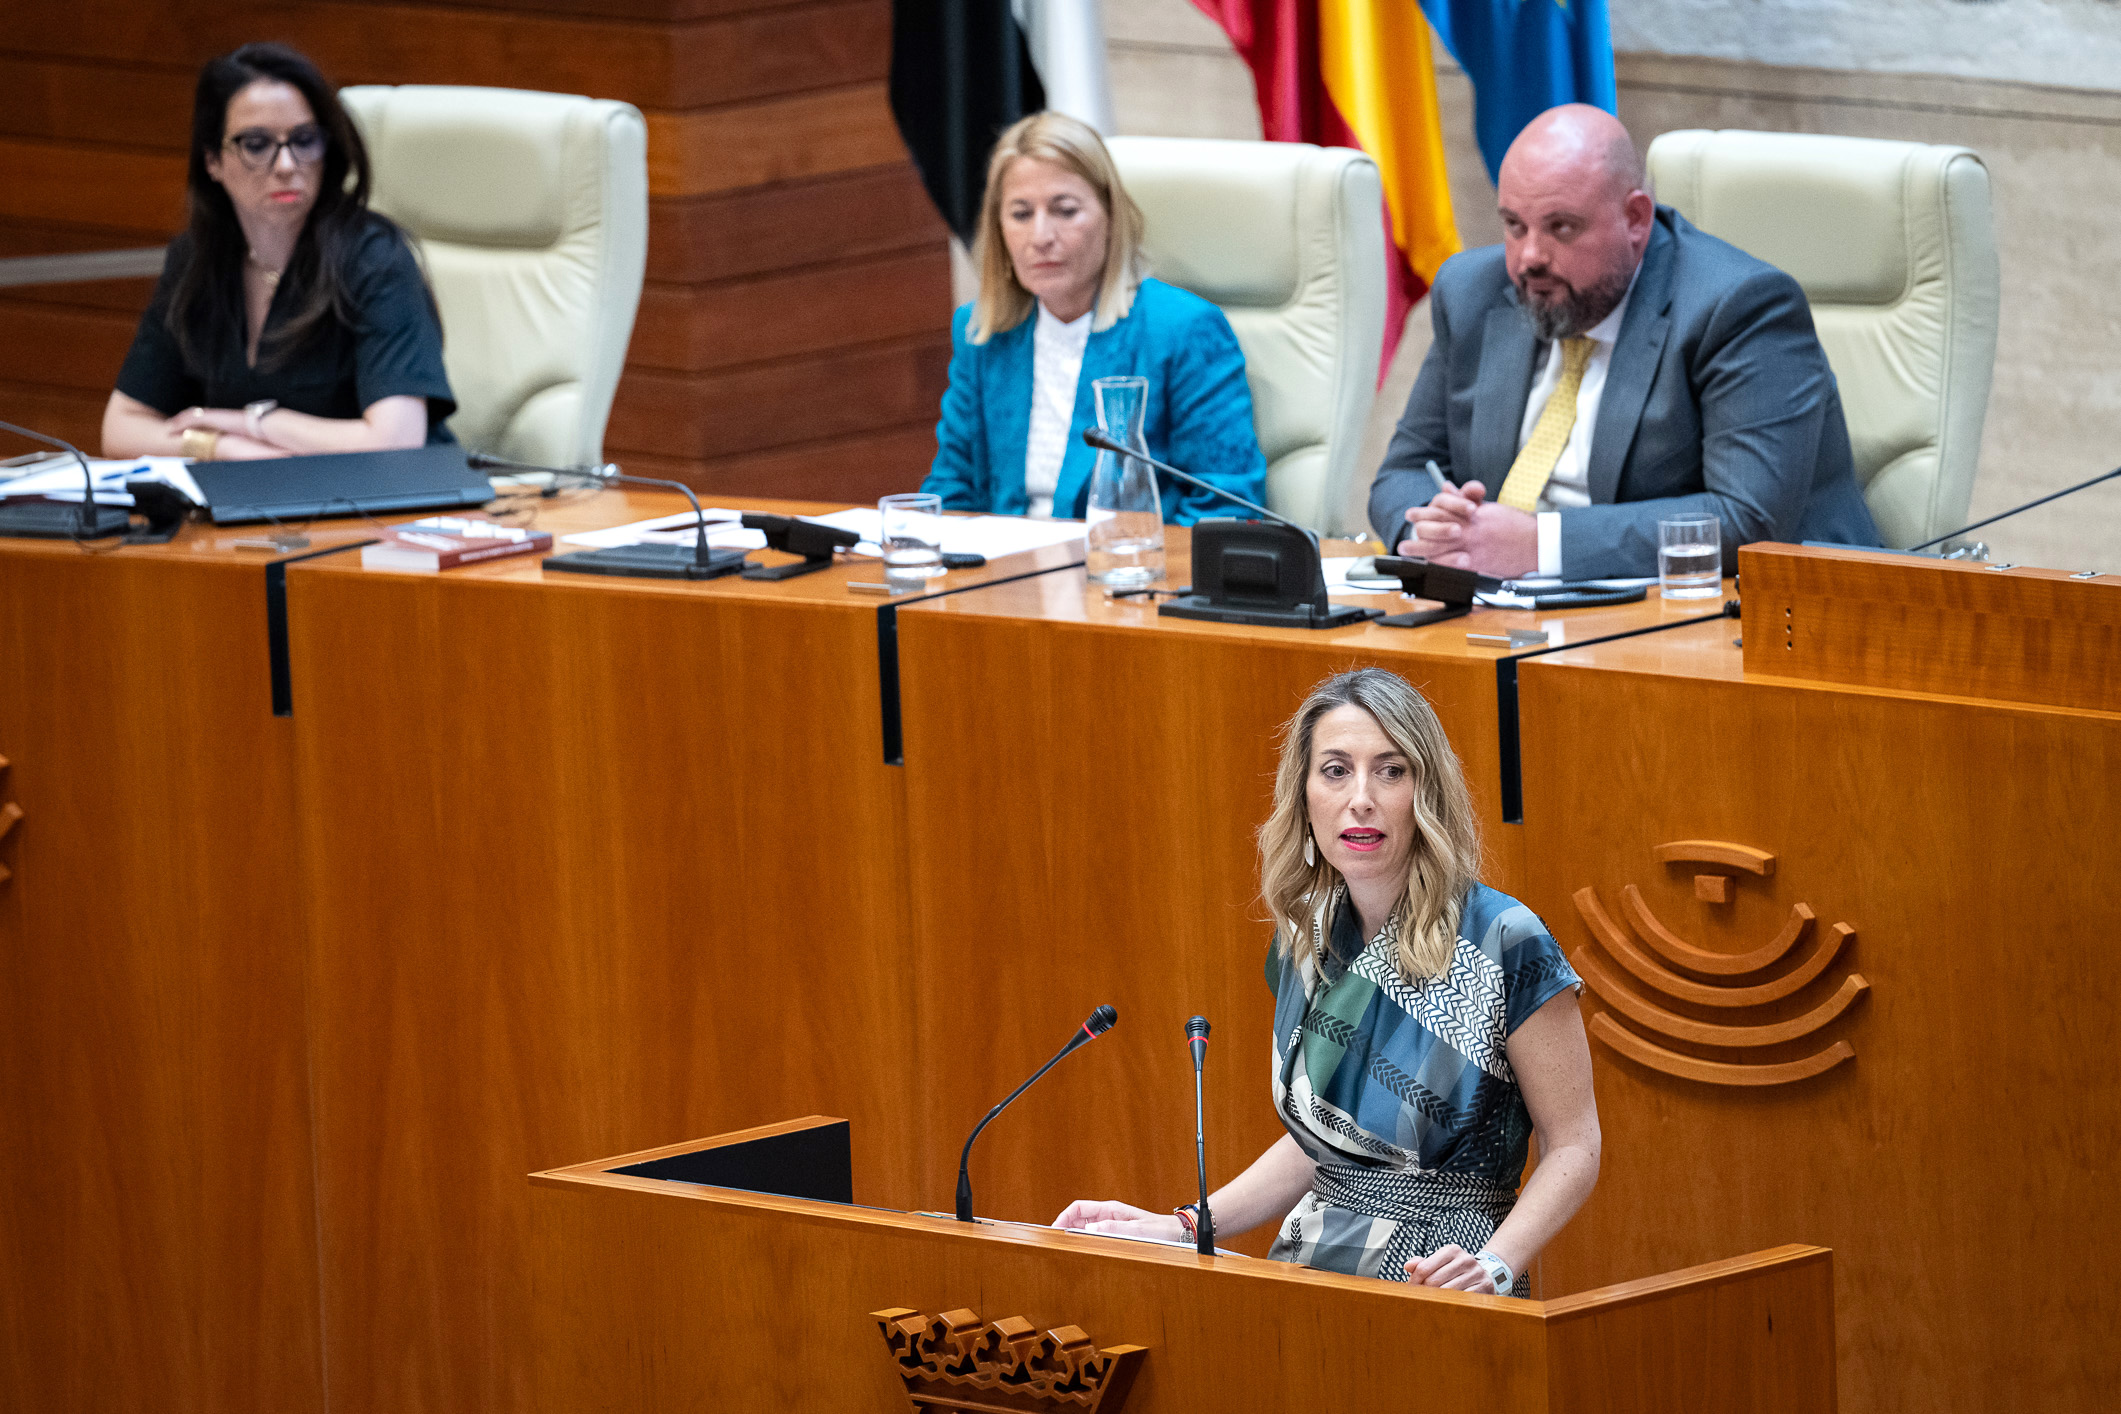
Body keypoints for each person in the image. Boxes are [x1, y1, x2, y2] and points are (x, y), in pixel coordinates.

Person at [1055, 668, 1600, 1296]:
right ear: (1305, 793)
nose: (1360, 797)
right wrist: (1186, 1225)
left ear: (1427, 791)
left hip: (1447, 1278)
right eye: (1336, 770)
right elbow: (1325, 1146)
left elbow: (1575, 1144)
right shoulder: (1307, 937)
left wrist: (1497, 1264)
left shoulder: (1504, 939)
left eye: (1391, 771)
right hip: (1311, 1270)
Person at [1368, 104, 1880, 581]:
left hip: (1723, 625)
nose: (1529, 257)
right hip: (1507, 616)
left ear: (1636, 218)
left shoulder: (1739, 306)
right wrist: (1434, 534)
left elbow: (1746, 519)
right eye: (1514, 226)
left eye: (1560, 227)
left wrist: (1538, 546)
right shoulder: (1472, 292)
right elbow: (1406, 470)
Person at [102, 43, 455, 462]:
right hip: (251, 512)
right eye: (256, 144)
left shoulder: (374, 259)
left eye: (304, 140)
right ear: (213, 160)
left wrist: (255, 423)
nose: (287, 164)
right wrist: (223, 446)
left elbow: (395, 441)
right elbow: (121, 430)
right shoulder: (198, 261)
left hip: (383, 508)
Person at [920, 111, 1268, 523]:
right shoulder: (981, 332)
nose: (1041, 237)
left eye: (1065, 210)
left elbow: (1225, 508)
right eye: (1020, 214)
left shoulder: (1183, 330)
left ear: (1109, 217)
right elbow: (952, 491)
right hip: (1004, 579)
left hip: (1127, 573)